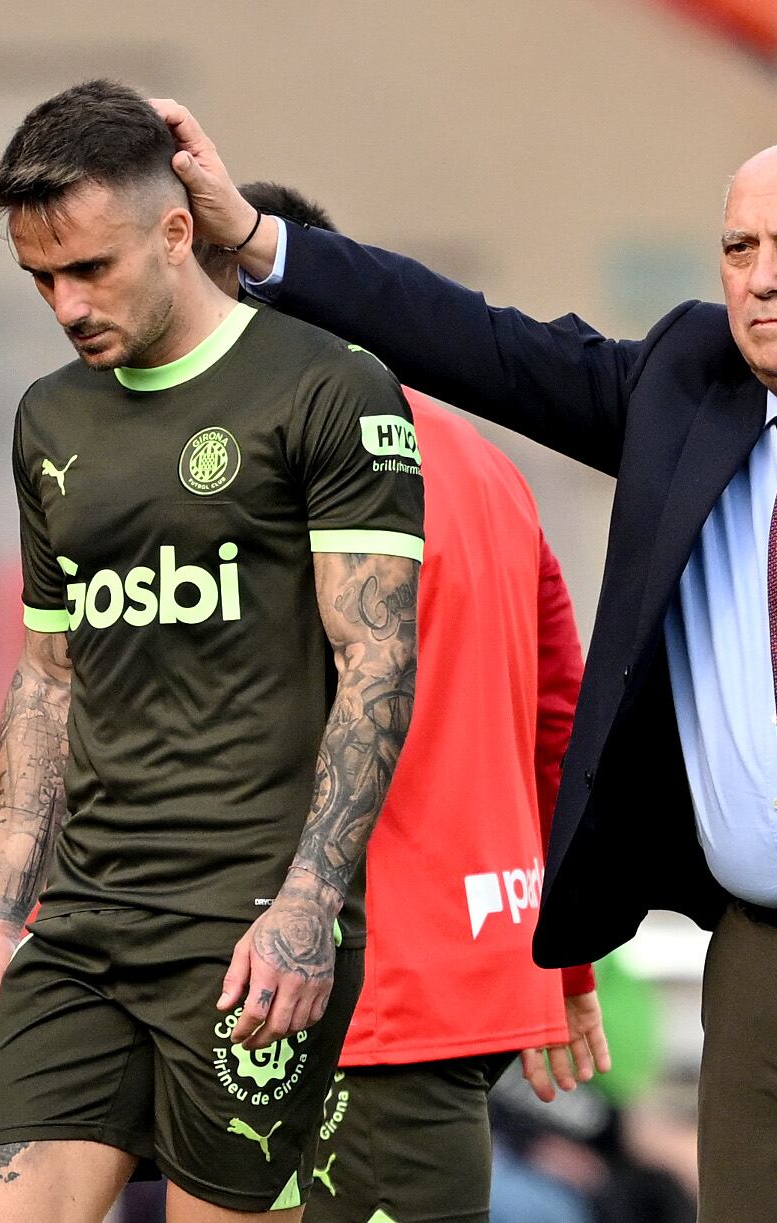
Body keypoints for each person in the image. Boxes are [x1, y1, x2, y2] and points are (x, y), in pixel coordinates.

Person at [159, 100, 777, 1221]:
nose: (758, 278)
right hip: (753, 957)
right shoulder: (686, 381)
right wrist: (265, 247)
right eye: (739, 247)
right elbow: (476, 337)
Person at [0, 80, 423, 1223]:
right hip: (83, 925)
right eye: (40, 278)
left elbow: (376, 664)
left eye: (89, 269)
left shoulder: (327, 387)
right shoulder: (48, 420)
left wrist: (310, 902)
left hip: (246, 930)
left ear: (176, 231)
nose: (64, 304)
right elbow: (49, 674)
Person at [201, 181, 609, 1223]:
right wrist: (557, 957)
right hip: (465, 969)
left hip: (338, 992)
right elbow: (559, 722)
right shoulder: (485, 466)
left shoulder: (266, 469)